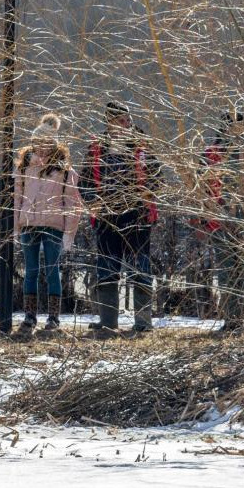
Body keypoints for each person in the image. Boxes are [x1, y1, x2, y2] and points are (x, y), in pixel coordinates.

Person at [79, 102, 161, 339]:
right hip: (106, 216)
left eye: (128, 119)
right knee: (107, 267)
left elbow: (157, 175)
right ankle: (108, 322)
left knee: (140, 268)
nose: (127, 124)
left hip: (138, 214)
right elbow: (84, 182)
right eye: (121, 120)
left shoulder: (142, 145)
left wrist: (149, 194)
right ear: (110, 122)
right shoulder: (97, 148)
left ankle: (143, 322)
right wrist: (92, 201)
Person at [13, 113, 83, 339]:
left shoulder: (64, 170)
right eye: (38, 142)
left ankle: (53, 317)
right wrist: (16, 226)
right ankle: (29, 316)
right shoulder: (24, 167)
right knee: (30, 271)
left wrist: (69, 234)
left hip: (53, 225)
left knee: (53, 271)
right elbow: (17, 198)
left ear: (53, 144)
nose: (41, 148)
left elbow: (73, 203)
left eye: (46, 143)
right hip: (29, 223)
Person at [196, 111, 244, 334]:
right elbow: (201, 187)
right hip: (221, 219)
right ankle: (232, 319)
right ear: (224, 128)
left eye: (242, 125)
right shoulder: (211, 153)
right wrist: (204, 217)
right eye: (234, 126)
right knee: (226, 271)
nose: (238, 130)